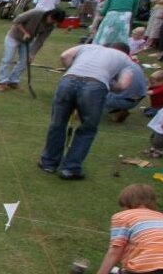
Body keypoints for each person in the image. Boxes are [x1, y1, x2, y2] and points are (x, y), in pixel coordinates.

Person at [38, 43, 135, 180]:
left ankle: (48, 163)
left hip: (68, 81)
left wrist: (71, 69)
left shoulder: (89, 46)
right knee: (87, 129)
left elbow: (65, 55)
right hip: (94, 87)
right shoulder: (125, 59)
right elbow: (123, 85)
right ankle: (70, 169)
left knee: (57, 123)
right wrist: (109, 81)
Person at [0, 8, 66, 92]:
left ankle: (13, 81)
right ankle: (2, 82)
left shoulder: (50, 26)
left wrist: (32, 54)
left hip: (28, 41)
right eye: (52, 20)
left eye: (55, 22)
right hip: (14, 37)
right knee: (8, 59)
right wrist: (24, 32)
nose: (52, 23)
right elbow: (17, 20)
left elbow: (40, 40)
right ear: (50, 15)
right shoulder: (36, 13)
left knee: (25, 61)